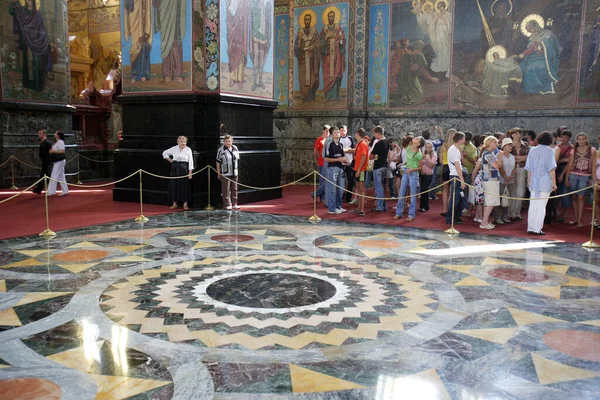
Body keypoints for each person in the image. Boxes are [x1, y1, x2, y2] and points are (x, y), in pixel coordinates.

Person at [9, 0, 53, 92]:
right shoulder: (22, 11)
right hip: (27, 42)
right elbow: (11, 11)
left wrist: (44, 40)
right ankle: (27, 84)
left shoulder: (38, 15)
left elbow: (42, 29)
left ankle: (37, 85)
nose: (28, 2)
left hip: (38, 43)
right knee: (27, 63)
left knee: (37, 64)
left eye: (30, 0)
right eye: (26, 0)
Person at [525, 131, 557, 235]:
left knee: (533, 205)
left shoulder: (532, 150)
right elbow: (551, 169)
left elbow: (529, 168)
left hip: (534, 181)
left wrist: (528, 181)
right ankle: (537, 228)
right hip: (545, 181)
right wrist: (554, 183)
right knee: (541, 206)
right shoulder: (550, 151)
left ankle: (530, 227)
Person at [516, 19, 560, 94]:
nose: (529, 31)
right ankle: (529, 90)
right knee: (523, 67)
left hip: (545, 58)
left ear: (535, 26)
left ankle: (539, 88)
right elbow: (530, 49)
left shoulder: (547, 34)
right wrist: (522, 54)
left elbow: (551, 47)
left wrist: (541, 45)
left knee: (535, 67)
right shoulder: (532, 37)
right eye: (527, 30)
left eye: (530, 29)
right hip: (533, 57)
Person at [565, 133, 596, 228]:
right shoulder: (573, 150)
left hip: (585, 175)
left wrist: (593, 178)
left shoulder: (592, 150)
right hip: (573, 175)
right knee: (574, 197)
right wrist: (566, 178)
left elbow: (593, 166)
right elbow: (570, 165)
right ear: (577, 140)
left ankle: (579, 220)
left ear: (586, 140)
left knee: (581, 197)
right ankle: (575, 218)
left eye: (583, 139)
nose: (581, 141)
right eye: (579, 139)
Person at [396, 40, 439, 105]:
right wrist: (431, 79)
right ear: (421, 46)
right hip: (408, 77)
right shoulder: (419, 55)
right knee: (418, 94)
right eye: (422, 45)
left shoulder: (409, 53)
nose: (423, 46)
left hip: (401, 77)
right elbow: (422, 69)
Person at [152, 0, 186, 83]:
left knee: (175, 42)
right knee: (166, 43)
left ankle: (178, 74)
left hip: (175, 10)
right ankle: (167, 74)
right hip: (164, 10)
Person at [394, 136, 425, 222]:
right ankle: (398, 213)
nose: (415, 138)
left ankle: (411, 214)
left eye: (417, 139)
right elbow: (409, 160)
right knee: (401, 192)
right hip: (405, 172)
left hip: (413, 174)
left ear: (418, 144)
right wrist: (403, 164)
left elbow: (420, 167)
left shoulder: (419, 154)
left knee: (412, 195)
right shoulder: (408, 148)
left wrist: (412, 169)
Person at [320, 9, 346, 102]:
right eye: (329, 16)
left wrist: (340, 42)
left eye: (332, 16)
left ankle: (335, 97)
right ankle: (328, 96)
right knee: (327, 76)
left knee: (336, 75)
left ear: (334, 18)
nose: (331, 18)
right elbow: (321, 43)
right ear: (327, 18)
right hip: (327, 57)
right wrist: (326, 39)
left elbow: (342, 39)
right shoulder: (324, 29)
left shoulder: (338, 28)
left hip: (336, 56)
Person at [124, 0, 152, 84]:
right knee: (135, 46)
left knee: (144, 45)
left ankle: (144, 74)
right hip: (134, 12)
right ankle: (134, 75)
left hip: (143, 11)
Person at [294, 11, 320, 102]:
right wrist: (300, 40)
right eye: (305, 19)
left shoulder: (314, 31)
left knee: (312, 76)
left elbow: (318, 43)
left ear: (311, 20)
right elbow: (296, 48)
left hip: (312, 59)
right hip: (303, 60)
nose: (307, 21)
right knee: (303, 78)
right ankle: (304, 96)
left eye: (309, 19)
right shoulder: (300, 33)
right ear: (304, 21)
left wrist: (312, 47)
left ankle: (311, 96)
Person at [163, 136, 194, 210]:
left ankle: (185, 203)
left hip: (184, 168)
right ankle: (174, 203)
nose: (183, 143)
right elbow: (164, 153)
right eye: (181, 141)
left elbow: (191, 161)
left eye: (184, 141)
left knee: (184, 185)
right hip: (175, 168)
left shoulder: (188, 149)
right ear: (178, 142)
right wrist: (171, 161)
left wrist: (190, 173)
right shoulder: (174, 148)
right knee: (174, 185)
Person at [226, 0, 250, 89]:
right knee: (233, 51)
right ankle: (232, 77)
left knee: (240, 52)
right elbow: (228, 13)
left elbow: (247, 10)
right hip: (232, 28)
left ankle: (240, 78)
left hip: (241, 28)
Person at [250, 0, 272, 91]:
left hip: (264, 35)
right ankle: (255, 81)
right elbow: (251, 18)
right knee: (256, 58)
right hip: (255, 33)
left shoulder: (268, 4)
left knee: (262, 58)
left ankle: (260, 81)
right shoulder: (254, 3)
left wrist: (268, 35)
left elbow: (268, 20)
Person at [479, 136, 501, 229]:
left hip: (492, 179)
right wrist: (500, 157)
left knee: (489, 201)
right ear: (489, 143)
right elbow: (496, 165)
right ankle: (484, 222)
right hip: (489, 180)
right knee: (491, 200)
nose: (497, 144)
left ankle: (485, 220)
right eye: (495, 142)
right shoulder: (487, 154)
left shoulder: (490, 153)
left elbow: (498, 165)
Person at [324, 127, 347, 214]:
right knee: (332, 189)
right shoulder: (329, 144)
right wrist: (338, 160)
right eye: (335, 132)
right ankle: (331, 208)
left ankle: (338, 206)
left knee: (341, 188)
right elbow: (326, 159)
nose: (337, 133)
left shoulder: (340, 145)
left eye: (338, 132)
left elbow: (343, 156)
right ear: (332, 135)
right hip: (332, 168)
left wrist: (345, 160)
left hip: (340, 168)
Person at [507, 128, 528, 220]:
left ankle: (517, 212)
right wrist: (519, 158)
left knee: (520, 192)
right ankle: (511, 213)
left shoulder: (525, 145)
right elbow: (508, 156)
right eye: (515, 133)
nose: (517, 135)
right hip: (511, 169)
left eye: (519, 133)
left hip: (522, 169)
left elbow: (527, 157)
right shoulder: (509, 144)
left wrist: (516, 158)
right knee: (511, 191)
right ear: (511, 135)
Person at [446, 131, 466, 225]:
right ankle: (450, 218)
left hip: (457, 175)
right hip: (455, 175)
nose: (465, 140)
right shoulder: (453, 150)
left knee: (459, 198)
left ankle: (457, 216)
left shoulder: (457, 149)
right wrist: (462, 180)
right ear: (460, 139)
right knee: (455, 198)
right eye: (464, 138)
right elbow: (457, 166)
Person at [494, 138, 516, 225]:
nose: (510, 147)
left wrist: (511, 176)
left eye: (511, 145)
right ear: (504, 146)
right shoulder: (499, 155)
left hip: (510, 181)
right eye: (508, 145)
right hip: (501, 180)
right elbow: (500, 167)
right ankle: (497, 217)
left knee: (508, 198)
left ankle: (504, 216)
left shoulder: (512, 156)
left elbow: (514, 167)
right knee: (500, 199)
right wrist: (505, 177)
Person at [216, 135, 240, 210]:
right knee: (226, 189)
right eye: (226, 141)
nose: (228, 143)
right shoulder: (221, 150)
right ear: (224, 142)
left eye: (229, 141)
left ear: (232, 141)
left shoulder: (235, 148)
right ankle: (227, 204)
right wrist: (218, 172)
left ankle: (234, 204)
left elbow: (237, 159)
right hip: (225, 172)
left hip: (234, 172)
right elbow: (218, 162)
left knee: (234, 188)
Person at [556, 130, 574, 220]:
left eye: (566, 137)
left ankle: (562, 214)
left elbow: (569, 162)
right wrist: (562, 160)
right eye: (562, 137)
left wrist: (563, 174)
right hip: (556, 169)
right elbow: (555, 161)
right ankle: (555, 212)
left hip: (566, 170)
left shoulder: (572, 148)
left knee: (564, 192)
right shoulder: (557, 147)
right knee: (556, 192)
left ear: (569, 138)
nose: (564, 139)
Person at [371, 126, 389, 212]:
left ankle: (380, 207)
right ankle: (384, 206)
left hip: (378, 167)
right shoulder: (387, 142)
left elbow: (371, 156)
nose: (374, 136)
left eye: (374, 134)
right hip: (385, 166)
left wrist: (374, 156)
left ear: (378, 133)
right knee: (382, 186)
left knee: (378, 187)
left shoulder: (378, 144)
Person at [439, 128, 456, 216]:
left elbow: (441, 161)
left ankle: (444, 209)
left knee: (445, 190)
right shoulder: (456, 147)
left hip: (445, 167)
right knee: (452, 190)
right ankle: (450, 209)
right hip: (453, 168)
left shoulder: (443, 146)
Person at [311, 125, 330, 202]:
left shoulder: (329, 139)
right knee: (323, 181)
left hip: (329, 162)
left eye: (329, 131)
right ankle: (322, 197)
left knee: (328, 180)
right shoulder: (319, 139)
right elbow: (315, 151)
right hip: (322, 163)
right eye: (327, 131)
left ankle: (316, 194)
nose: (328, 133)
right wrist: (317, 160)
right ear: (323, 131)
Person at [47, 131, 68, 197]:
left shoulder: (60, 142)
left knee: (54, 175)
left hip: (60, 161)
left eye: (56, 133)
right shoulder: (57, 142)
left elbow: (62, 150)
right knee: (61, 176)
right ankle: (65, 191)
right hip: (58, 161)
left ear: (58, 135)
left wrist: (53, 151)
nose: (54, 133)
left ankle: (51, 191)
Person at [353, 128, 368, 216]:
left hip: (361, 170)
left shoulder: (363, 144)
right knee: (358, 189)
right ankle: (359, 207)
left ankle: (362, 209)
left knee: (362, 189)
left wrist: (359, 169)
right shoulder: (359, 143)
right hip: (357, 168)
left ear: (357, 134)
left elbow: (364, 157)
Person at [339, 125, 355, 202]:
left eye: (344, 130)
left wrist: (348, 150)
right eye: (341, 130)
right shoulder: (337, 139)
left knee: (351, 180)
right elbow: (339, 151)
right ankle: (341, 195)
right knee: (340, 181)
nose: (343, 132)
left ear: (347, 130)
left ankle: (348, 197)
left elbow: (354, 149)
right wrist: (347, 150)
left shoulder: (350, 138)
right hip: (340, 163)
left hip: (350, 162)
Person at [33, 129, 53, 194]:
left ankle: (47, 190)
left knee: (46, 176)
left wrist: (49, 161)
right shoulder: (42, 143)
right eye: (38, 133)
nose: (38, 134)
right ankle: (39, 189)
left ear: (44, 134)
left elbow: (51, 151)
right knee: (43, 176)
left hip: (48, 162)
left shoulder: (47, 143)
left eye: (40, 133)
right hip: (44, 161)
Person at [420, 141, 437, 212]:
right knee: (423, 190)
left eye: (430, 147)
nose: (428, 149)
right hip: (422, 174)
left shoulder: (434, 155)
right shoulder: (423, 154)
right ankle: (424, 206)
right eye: (427, 147)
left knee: (424, 189)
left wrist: (426, 158)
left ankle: (424, 206)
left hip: (428, 175)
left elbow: (431, 165)